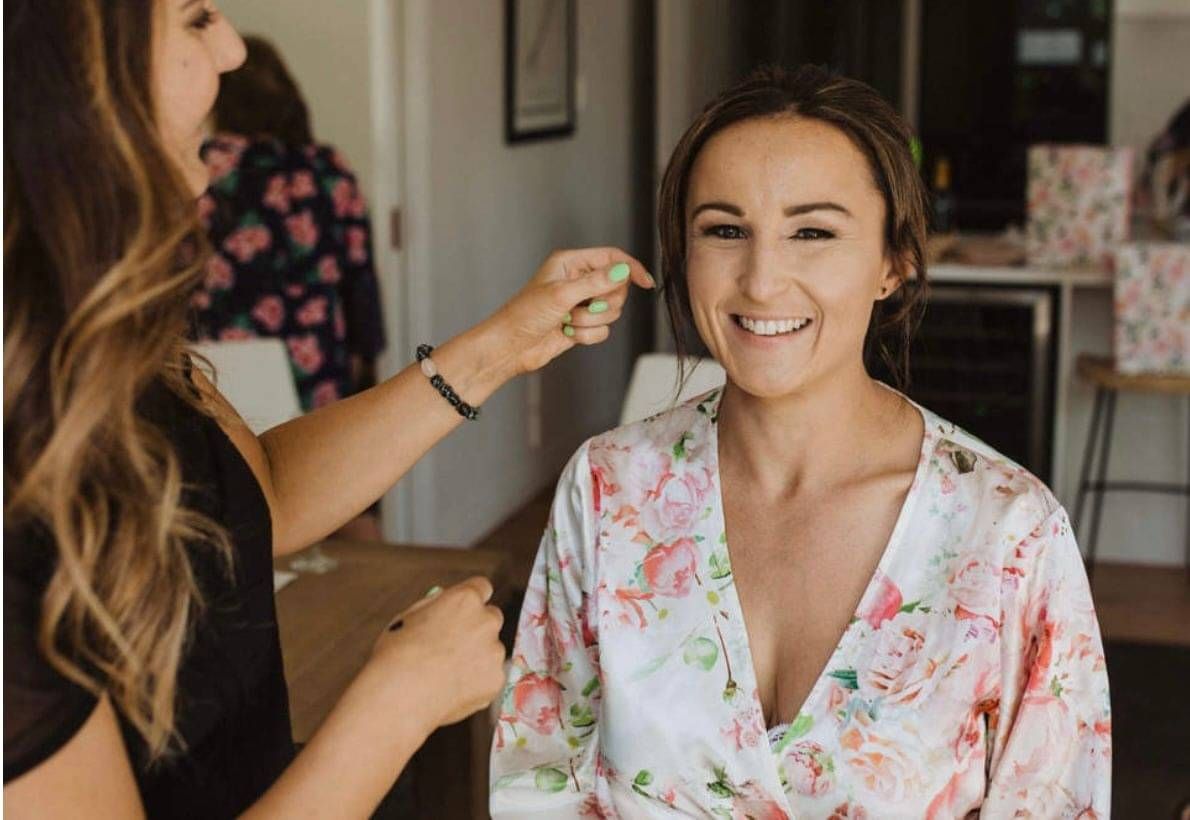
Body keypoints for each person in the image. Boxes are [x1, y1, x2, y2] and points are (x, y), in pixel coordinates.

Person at [3, 2, 652, 817]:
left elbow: (253, 493)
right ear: (69, 72)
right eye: (197, 17)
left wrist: (505, 345)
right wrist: (400, 699)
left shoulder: (95, 328)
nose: (234, 49)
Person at [491, 65, 1111, 818]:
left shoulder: (1010, 532)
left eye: (812, 232)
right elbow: (539, 783)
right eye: (724, 230)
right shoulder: (607, 490)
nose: (761, 280)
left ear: (894, 262)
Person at [195, 35, 386, 412]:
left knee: (236, 466)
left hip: (220, 365)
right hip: (316, 358)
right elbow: (359, 275)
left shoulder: (200, 171)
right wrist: (369, 356)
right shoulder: (327, 169)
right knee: (318, 464)